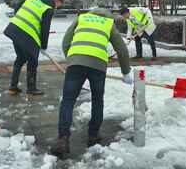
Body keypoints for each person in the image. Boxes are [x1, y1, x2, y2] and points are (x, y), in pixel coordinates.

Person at [50, 8, 132, 157]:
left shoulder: (81, 18)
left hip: (76, 62)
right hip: (98, 65)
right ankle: (93, 134)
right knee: (97, 99)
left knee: (68, 100)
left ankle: (62, 138)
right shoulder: (108, 23)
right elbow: (122, 49)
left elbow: (66, 41)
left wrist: (72, 58)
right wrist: (126, 72)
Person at [5, 0, 63, 95]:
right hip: (28, 34)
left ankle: (13, 87)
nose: (57, 7)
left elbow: (18, 6)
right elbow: (45, 29)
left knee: (20, 58)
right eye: (58, 5)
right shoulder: (48, 9)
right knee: (32, 61)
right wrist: (44, 45)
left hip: (14, 28)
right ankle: (31, 89)